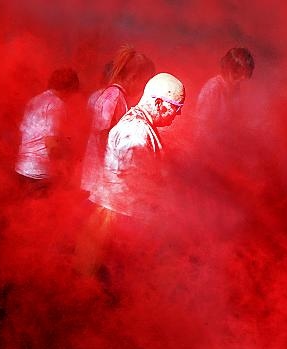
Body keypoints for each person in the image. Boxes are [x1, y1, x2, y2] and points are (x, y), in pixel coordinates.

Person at [76, 73, 185, 278]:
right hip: (117, 224)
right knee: (107, 285)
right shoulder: (136, 131)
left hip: (115, 219)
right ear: (160, 103)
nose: (177, 115)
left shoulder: (138, 124)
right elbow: (135, 187)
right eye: (177, 108)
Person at [80, 45, 155, 195]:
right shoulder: (114, 97)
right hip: (98, 181)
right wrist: (112, 173)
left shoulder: (117, 96)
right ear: (134, 78)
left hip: (99, 179)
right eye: (145, 83)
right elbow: (103, 137)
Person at [15, 67, 80, 195]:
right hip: (40, 174)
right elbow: (51, 144)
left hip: (22, 168)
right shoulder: (56, 105)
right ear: (70, 88)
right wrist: (64, 173)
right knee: (42, 213)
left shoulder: (35, 100)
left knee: (25, 212)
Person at [195, 47, 254, 133]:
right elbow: (202, 125)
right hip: (209, 140)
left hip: (225, 138)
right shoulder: (213, 88)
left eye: (245, 74)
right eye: (238, 73)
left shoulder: (235, 87)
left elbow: (234, 119)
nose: (243, 78)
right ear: (228, 69)